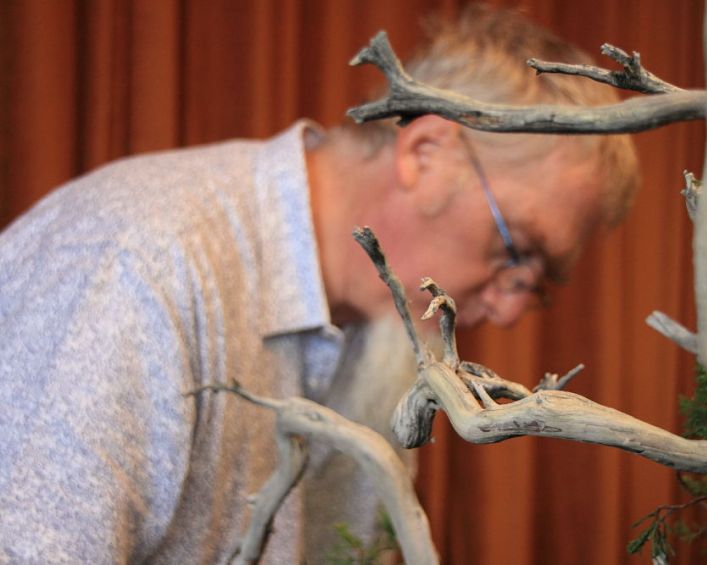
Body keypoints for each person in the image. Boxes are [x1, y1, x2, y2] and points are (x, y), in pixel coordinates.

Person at [0, 5, 637, 563]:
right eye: (515, 251)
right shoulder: (141, 267)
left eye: (538, 284)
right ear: (425, 155)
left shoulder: (384, 331)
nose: (509, 311)